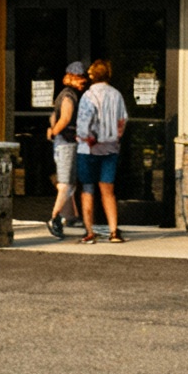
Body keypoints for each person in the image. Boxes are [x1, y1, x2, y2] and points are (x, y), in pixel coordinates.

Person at [73, 58, 128, 244]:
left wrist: (86, 137)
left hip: (89, 149)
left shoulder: (88, 96)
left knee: (88, 189)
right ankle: (114, 231)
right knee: (108, 191)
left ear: (92, 75)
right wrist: (115, 137)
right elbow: (122, 121)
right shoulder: (117, 95)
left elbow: (83, 123)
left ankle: (89, 231)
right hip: (110, 148)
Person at [44, 61, 86, 239]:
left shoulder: (63, 95)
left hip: (63, 143)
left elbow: (53, 116)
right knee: (65, 184)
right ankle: (55, 217)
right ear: (71, 78)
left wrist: (52, 129)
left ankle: (71, 217)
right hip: (66, 143)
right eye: (79, 78)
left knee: (69, 182)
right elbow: (65, 118)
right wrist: (54, 132)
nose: (82, 81)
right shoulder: (69, 96)